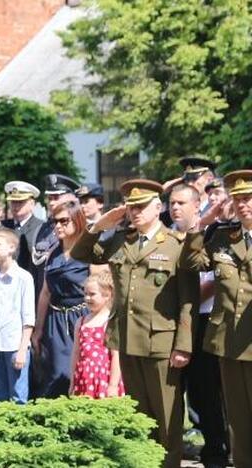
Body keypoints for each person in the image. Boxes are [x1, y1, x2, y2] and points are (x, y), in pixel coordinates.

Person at [72, 179, 198, 468]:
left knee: (167, 417)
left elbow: (187, 300)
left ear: (158, 208)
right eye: (131, 207)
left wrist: (184, 346)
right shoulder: (120, 239)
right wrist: (98, 226)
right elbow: (80, 254)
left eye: (142, 206)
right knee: (140, 415)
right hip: (127, 339)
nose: (135, 212)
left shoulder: (176, 245)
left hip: (162, 343)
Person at [179, 169, 252, 467]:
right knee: (238, 418)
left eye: (248, 198)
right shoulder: (223, 236)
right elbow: (190, 262)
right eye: (238, 198)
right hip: (229, 343)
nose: (243, 204)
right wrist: (200, 225)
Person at [31, 200, 89, 398]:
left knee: (79, 373)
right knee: (55, 375)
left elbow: (102, 287)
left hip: (82, 316)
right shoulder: (53, 253)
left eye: (64, 221)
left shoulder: (89, 251)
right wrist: (38, 330)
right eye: (54, 221)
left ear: (78, 220)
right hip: (55, 321)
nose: (58, 226)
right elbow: (45, 292)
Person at [0, 228, 35, 403]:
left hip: (14, 344)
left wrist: (22, 349)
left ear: (12, 248)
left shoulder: (23, 278)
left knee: (18, 394)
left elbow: (28, 317)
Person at [69, 271, 124, 399]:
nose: (87, 298)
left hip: (103, 378)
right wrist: (72, 379)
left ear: (107, 295)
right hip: (83, 377)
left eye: (92, 294)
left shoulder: (111, 321)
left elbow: (116, 356)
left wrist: (113, 385)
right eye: (85, 294)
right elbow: (76, 353)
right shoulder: (81, 322)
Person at [2, 180, 45, 275]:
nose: (16, 206)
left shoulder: (41, 227)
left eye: (20, 202)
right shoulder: (2, 226)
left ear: (32, 204)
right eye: (13, 202)